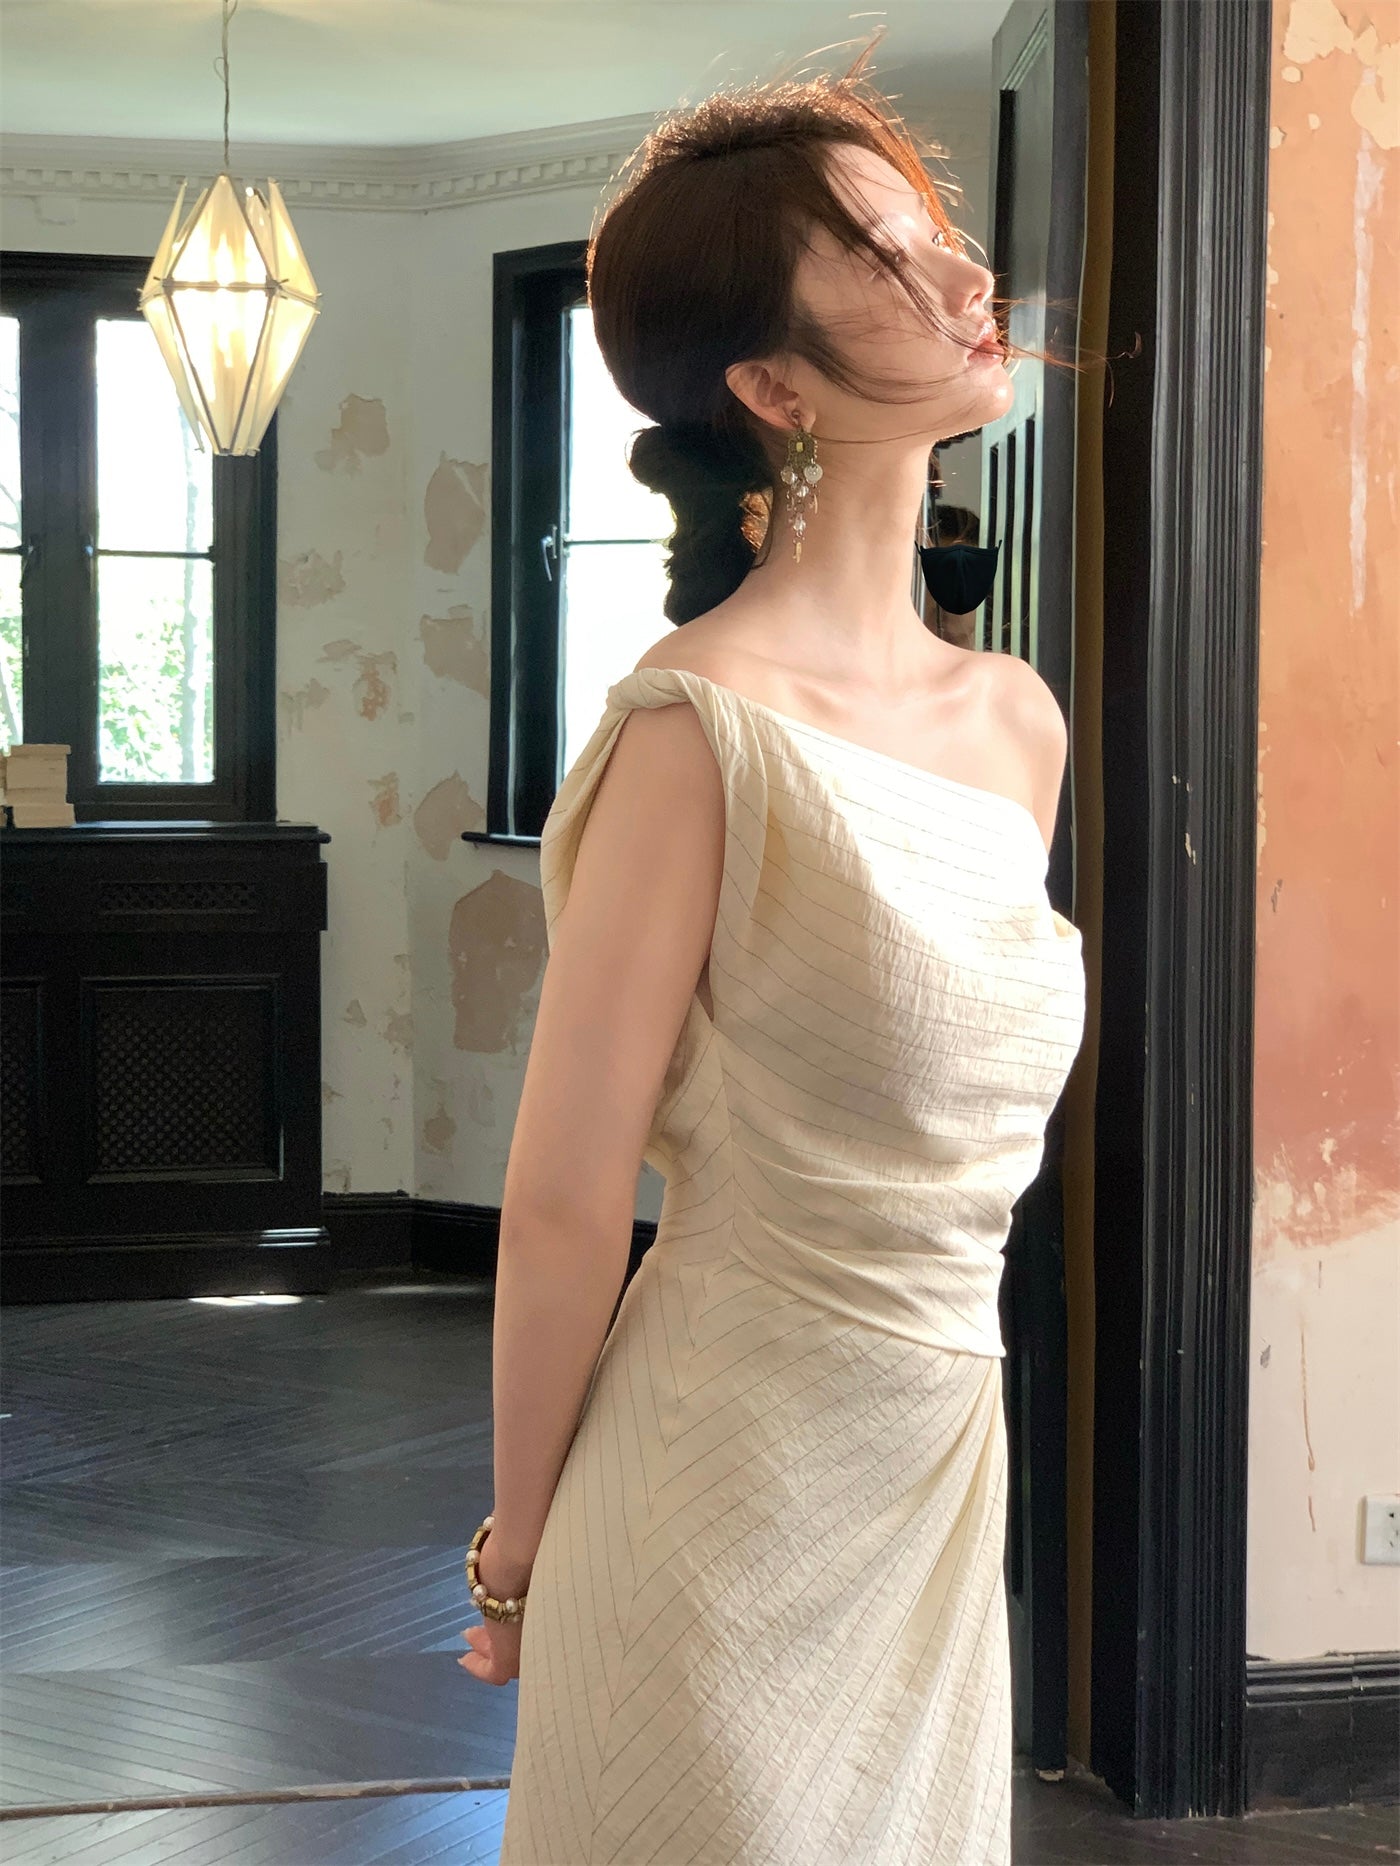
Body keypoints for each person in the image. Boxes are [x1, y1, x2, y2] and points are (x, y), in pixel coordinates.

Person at [464, 55, 1087, 1866]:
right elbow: (563, 1202)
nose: (968, 275)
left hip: (932, 1484)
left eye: (942, 234)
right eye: (893, 256)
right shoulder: (696, 732)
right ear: (771, 384)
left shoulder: (1016, 721)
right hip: (712, 1504)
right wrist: (517, 1556)